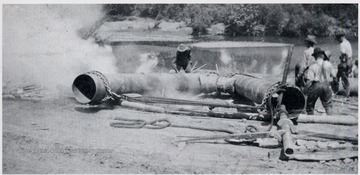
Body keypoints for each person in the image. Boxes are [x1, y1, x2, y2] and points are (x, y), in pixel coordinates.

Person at [303, 48, 333, 115]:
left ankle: (310, 119)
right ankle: (331, 119)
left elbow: (309, 81)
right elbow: (334, 77)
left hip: (316, 85)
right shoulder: (328, 64)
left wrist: (305, 91)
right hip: (326, 85)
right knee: (328, 105)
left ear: (314, 56)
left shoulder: (312, 66)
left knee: (310, 105)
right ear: (322, 55)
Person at [335, 30, 352, 99]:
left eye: (338, 39)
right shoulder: (348, 42)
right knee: (339, 77)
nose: (338, 41)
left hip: (344, 63)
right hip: (350, 61)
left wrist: (342, 63)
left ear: (340, 38)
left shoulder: (342, 44)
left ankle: (347, 95)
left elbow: (344, 54)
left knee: (343, 79)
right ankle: (337, 91)